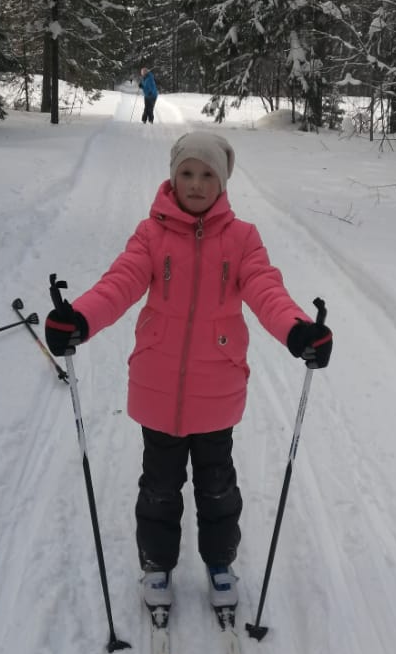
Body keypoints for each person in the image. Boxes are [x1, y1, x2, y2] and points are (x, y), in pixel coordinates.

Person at [45, 131, 333, 614]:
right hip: (157, 388)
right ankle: (156, 564)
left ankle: (220, 562)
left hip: (216, 389)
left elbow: (265, 289)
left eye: (207, 175)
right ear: (172, 177)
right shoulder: (151, 234)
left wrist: (297, 330)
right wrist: (82, 318)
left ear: (223, 184)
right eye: (187, 173)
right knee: (158, 486)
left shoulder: (243, 239)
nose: (196, 184)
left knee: (217, 486)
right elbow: (121, 281)